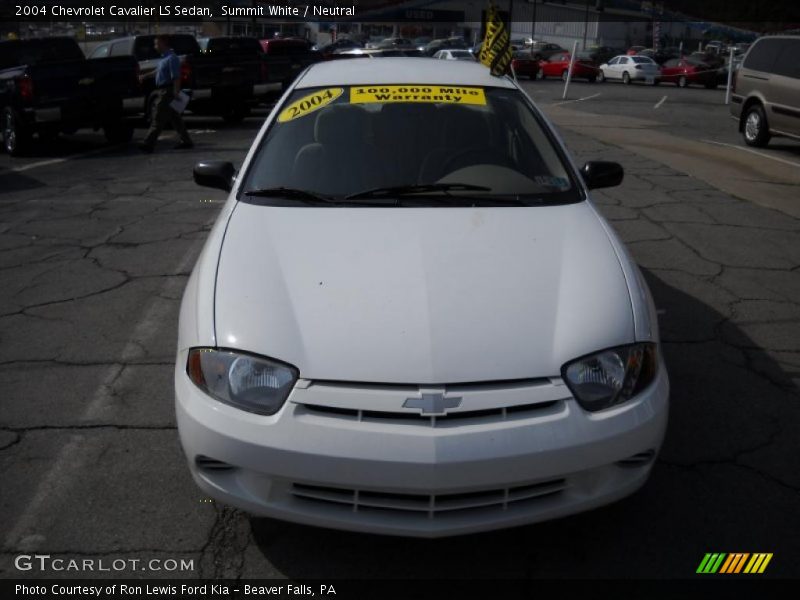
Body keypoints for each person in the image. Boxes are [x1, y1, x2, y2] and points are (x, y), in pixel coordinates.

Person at [139, 34, 193, 153]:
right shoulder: (164, 58)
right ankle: (186, 141)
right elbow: (158, 71)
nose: (155, 46)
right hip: (163, 90)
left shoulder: (172, 58)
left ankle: (148, 143)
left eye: (156, 44)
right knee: (175, 118)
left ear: (163, 43)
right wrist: (145, 75)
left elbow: (176, 77)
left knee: (158, 116)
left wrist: (176, 92)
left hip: (167, 91)